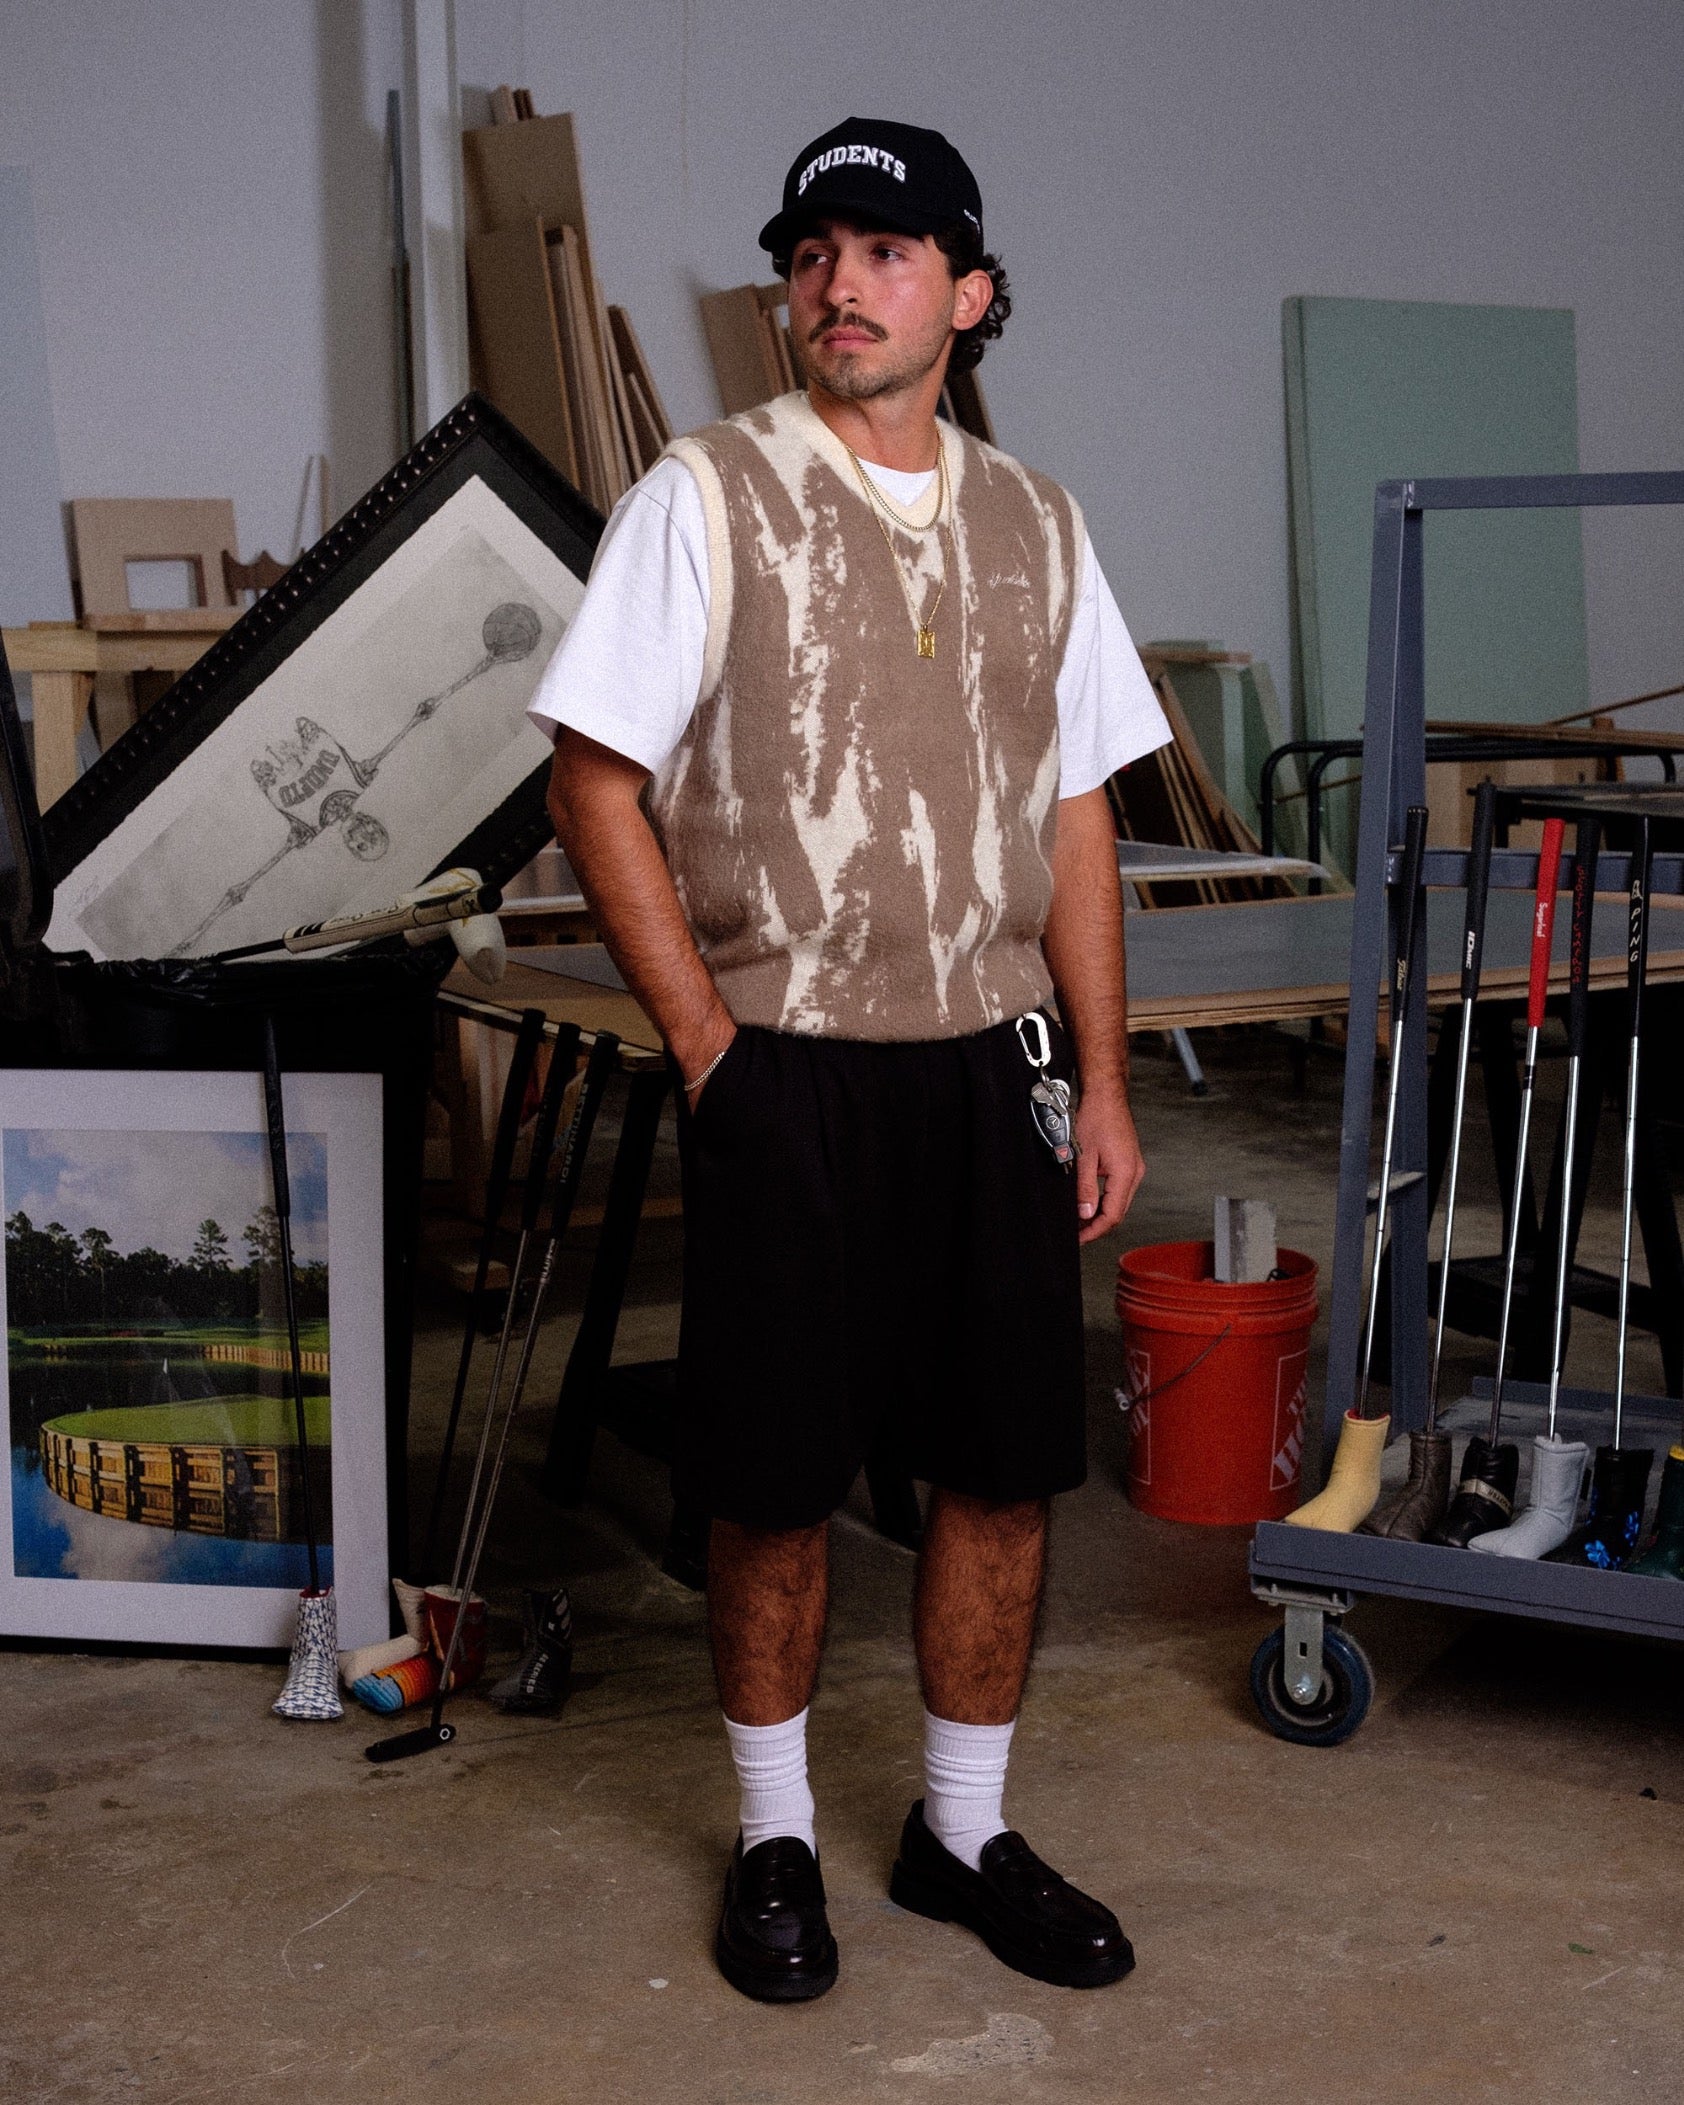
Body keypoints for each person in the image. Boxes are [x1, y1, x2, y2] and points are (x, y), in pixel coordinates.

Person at [531, 116, 1169, 2003]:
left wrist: (1106, 1081)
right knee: (776, 1478)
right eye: (813, 250)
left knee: (997, 1471)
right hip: (787, 1069)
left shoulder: (1039, 522)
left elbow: (1074, 819)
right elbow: (593, 779)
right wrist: (717, 1050)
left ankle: (962, 1831)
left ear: (969, 298)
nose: (838, 281)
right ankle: (778, 1835)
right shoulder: (703, 496)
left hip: (993, 1064)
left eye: (886, 251)